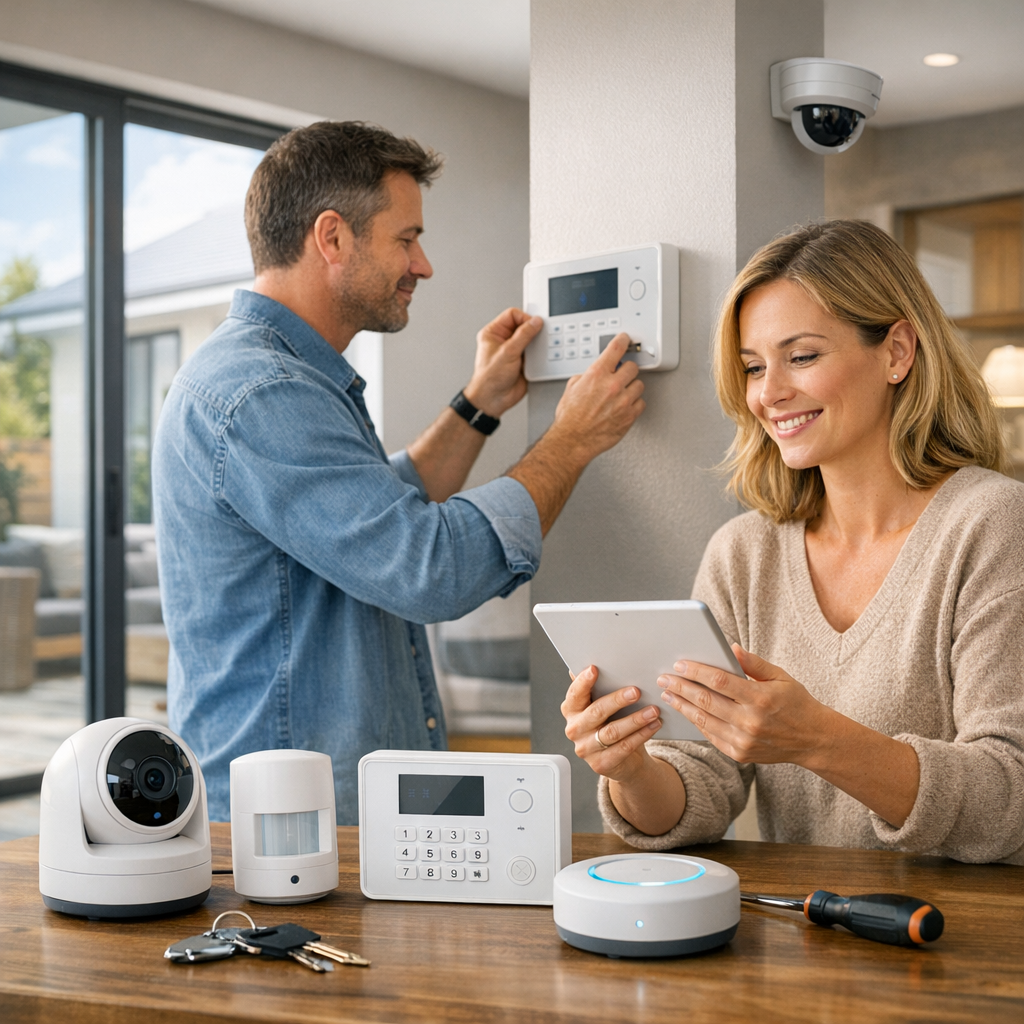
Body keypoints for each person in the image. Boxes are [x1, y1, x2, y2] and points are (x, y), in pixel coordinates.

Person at [153, 121, 646, 823]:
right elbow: (428, 567)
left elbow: (375, 514)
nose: (423, 265)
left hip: (320, 805)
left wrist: (478, 405)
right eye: (406, 239)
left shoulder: (280, 378)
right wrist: (571, 439)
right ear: (333, 237)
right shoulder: (262, 393)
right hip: (293, 825)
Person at [561, 220, 1024, 865]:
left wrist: (816, 740)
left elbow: (1012, 797)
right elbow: (704, 787)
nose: (769, 394)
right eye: (753, 367)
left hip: (965, 943)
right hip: (808, 934)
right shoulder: (742, 554)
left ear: (897, 352)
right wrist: (632, 767)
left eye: (801, 357)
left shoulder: (993, 524)